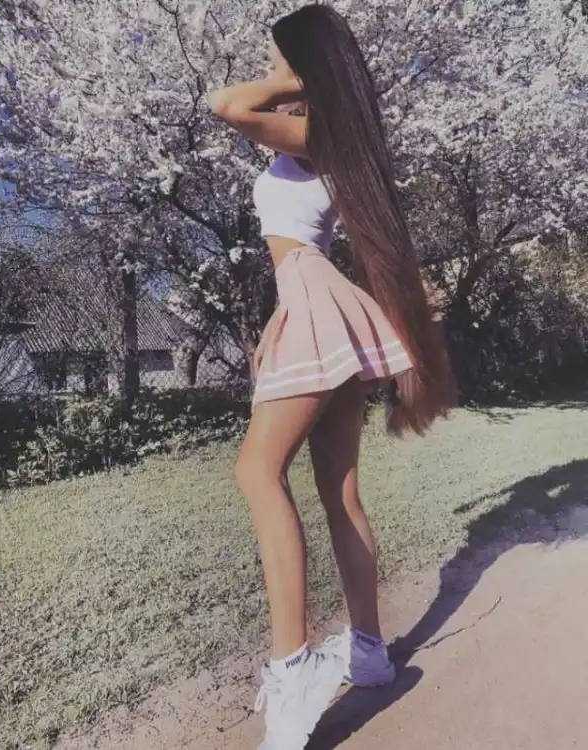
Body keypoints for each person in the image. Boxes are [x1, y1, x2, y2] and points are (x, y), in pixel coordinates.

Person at [207, 4, 454, 748]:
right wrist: (275, 326)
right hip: (312, 303)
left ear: (304, 66)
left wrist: (294, 78)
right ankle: (369, 653)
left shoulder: (316, 130)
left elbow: (226, 105)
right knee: (338, 491)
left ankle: (295, 665)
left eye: (279, 59)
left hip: (314, 298)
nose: (270, 72)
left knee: (256, 472)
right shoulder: (331, 135)